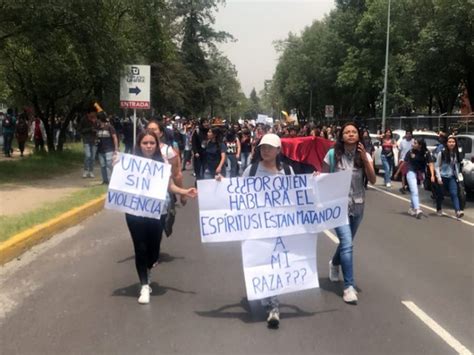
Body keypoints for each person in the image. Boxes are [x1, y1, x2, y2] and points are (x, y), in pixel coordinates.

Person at [122, 130, 197, 304]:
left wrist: (185, 191)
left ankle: (148, 267)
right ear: (139, 145)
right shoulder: (129, 163)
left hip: (158, 211)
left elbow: (170, 186)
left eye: (152, 143)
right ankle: (144, 285)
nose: (148, 146)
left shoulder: (161, 163)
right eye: (145, 143)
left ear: (157, 145)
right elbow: (119, 182)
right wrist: (117, 164)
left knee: (154, 250)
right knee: (140, 247)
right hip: (135, 211)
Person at [241, 133, 294, 328]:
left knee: (276, 264)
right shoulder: (251, 170)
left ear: (279, 150)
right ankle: (265, 294)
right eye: (263, 147)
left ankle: (274, 306)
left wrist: (313, 181)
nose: (266, 150)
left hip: (280, 226)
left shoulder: (287, 172)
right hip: (257, 227)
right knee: (261, 262)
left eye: (270, 147)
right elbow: (238, 193)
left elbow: (298, 196)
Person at [322, 122, 376, 304]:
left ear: (359, 136)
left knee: (347, 242)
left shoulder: (365, 155)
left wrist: (365, 158)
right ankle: (349, 287)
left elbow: (374, 180)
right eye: (347, 132)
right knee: (346, 243)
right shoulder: (332, 155)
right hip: (338, 207)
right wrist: (317, 178)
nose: (351, 134)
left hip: (358, 205)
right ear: (341, 136)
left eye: (354, 132)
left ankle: (335, 263)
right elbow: (323, 179)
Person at [403, 138, 434, 219]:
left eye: (415, 143)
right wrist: (398, 173)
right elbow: (405, 162)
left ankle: (411, 208)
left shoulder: (426, 153)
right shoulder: (410, 152)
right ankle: (417, 209)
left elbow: (430, 164)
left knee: (416, 191)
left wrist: (432, 175)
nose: (413, 144)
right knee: (414, 191)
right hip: (411, 172)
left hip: (420, 174)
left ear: (420, 145)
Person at [434, 136, 464, 219]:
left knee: (454, 193)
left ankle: (457, 211)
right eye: (450, 142)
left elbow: (457, 165)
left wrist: (458, 176)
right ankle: (439, 208)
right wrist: (438, 177)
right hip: (443, 177)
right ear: (446, 143)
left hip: (452, 177)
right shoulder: (442, 153)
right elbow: (437, 166)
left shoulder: (456, 153)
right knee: (440, 194)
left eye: (453, 142)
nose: (451, 143)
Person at [96, 112, 119, 184]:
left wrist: (116, 148)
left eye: (98, 118)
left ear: (100, 119)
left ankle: (111, 181)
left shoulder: (109, 127)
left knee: (109, 165)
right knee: (102, 165)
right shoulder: (98, 127)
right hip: (100, 150)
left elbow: (114, 137)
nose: (97, 120)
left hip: (109, 149)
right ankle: (105, 180)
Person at [79, 108, 99, 178]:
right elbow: (80, 130)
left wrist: (96, 126)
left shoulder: (97, 120)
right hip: (86, 140)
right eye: (93, 113)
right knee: (88, 155)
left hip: (94, 140)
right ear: (89, 113)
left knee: (93, 157)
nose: (94, 115)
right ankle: (85, 170)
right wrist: (90, 129)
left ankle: (91, 171)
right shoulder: (83, 120)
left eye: (95, 113)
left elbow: (99, 129)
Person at [395, 129, 414, 193]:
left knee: (409, 174)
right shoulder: (402, 142)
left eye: (409, 134)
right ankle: (403, 187)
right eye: (407, 134)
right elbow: (399, 151)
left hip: (411, 161)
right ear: (405, 135)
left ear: (411, 135)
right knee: (403, 174)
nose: (408, 135)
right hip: (403, 159)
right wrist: (398, 160)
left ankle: (408, 186)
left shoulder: (413, 142)